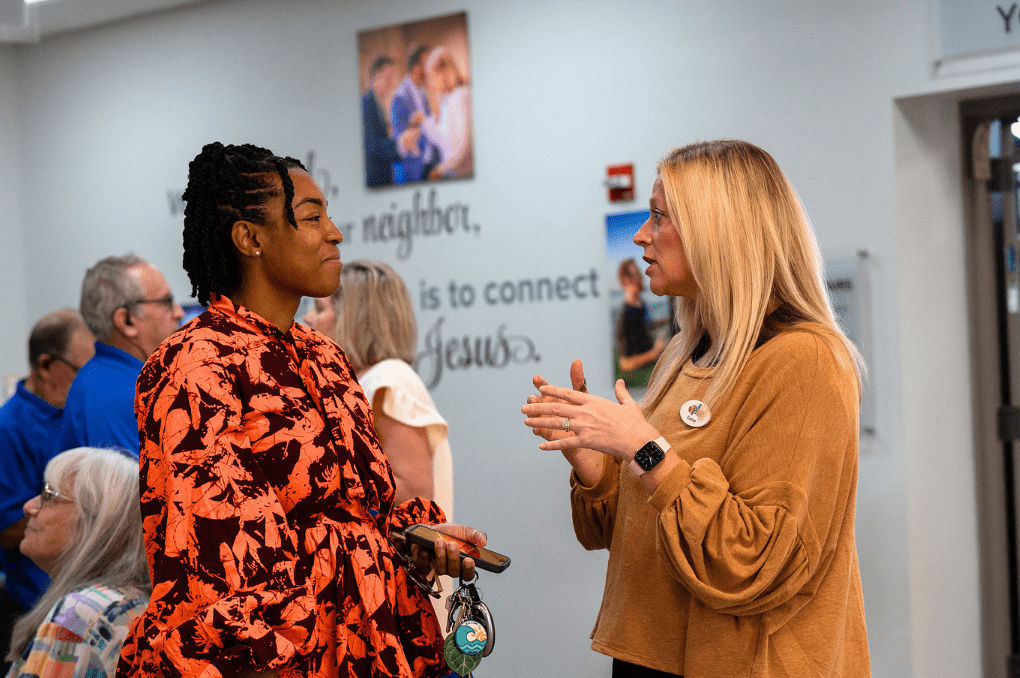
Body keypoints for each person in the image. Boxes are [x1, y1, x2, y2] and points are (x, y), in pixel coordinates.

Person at [117, 142, 485, 678]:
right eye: (312, 218)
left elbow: (359, 512)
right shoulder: (195, 364)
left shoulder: (325, 355)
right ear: (251, 239)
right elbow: (222, 565)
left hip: (374, 645)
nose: (334, 233)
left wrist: (418, 544)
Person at [522, 140, 872, 677]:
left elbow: (752, 559)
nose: (641, 235)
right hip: (650, 657)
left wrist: (641, 446)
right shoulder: (685, 352)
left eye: (659, 216)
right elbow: (648, 526)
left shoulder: (805, 360)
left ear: (719, 232)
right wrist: (596, 465)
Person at [0, 310, 94, 673]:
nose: (87, 381)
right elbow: (8, 530)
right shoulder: (10, 429)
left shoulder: (76, 410)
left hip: (82, 596)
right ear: (45, 365)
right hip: (36, 604)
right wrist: (78, 515)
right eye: (80, 370)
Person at [5, 447, 150, 678]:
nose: (29, 507)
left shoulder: (86, 610)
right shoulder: (129, 603)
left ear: (96, 521)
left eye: (48, 495)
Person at [56, 255, 184, 456]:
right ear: (126, 321)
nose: (179, 312)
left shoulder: (123, 381)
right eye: (166, 302)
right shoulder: (112, 395)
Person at [362, 55, 422, 188]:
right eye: (388, 77)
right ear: (377, 75)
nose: (393, 83)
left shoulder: (377, 102)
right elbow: (373, 146)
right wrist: (401, 143)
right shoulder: (366, 104)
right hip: (376, 180)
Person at [419, 47, 473, 180]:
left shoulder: (460, 96)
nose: (430, 83)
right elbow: (442, 141)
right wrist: (423, 121)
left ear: (444, 72)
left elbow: (464, 145)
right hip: (453, 173)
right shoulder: (446, 100)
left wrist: (441, 169)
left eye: (432, 77)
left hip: (464, 174)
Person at [391, 44, 438, 183]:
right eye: (426, 65)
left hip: (430, 164)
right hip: (413, 170)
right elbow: (399, 140)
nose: (429, 69)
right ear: (416, 67)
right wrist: (411, 125)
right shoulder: (399, 96)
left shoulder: (423, 93)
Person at [615, 258, 666, 375]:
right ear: (626, 280)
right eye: (637, 274)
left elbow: (644, 326)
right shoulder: (625, 316)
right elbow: (624, 364)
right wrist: (655, 352)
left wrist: (668, 320)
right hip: (642, 377)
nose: (642, 277)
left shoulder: (641, 304)